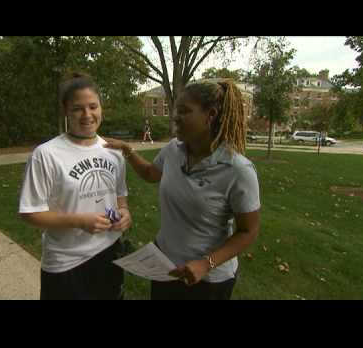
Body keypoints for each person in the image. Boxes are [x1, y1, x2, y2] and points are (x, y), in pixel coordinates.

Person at [104, 80, 260, 300]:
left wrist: (206, 264)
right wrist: (127, 150)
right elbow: (150, 173)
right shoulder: (173, 150)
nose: (175, 117)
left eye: (184, 111)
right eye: (176, 110)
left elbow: (248, 232)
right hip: (164, 268)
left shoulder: (238, 170)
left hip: (207, 281)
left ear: (211, 115)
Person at [18, 73, 132, 300]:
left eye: (93, 106)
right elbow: (30, 213)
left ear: (101, 108)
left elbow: (120, 199)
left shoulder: (114, 152)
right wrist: (79, 221)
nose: (87, 114)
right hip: (66, 262)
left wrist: (125, 213)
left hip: (109, 254)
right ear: (66, 112)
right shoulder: (46, 154)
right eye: (78, 108)